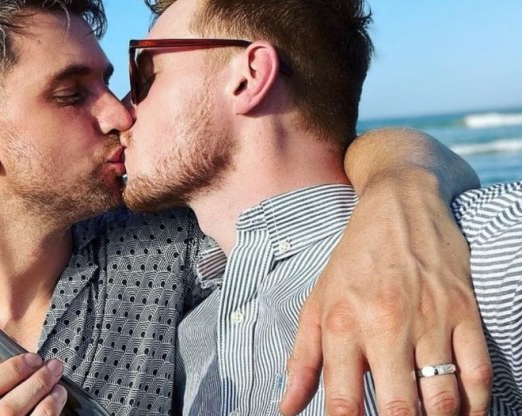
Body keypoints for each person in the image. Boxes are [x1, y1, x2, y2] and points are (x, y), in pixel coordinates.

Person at [0, 0, 487, 415]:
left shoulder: (168, 243)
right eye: (71, 94)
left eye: (118, 81)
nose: (120, 110)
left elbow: (306, 175)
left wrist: (401, 191)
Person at [121, 0, 521, 414]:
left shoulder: (456, 253)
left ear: (248, 77)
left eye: (143, 73)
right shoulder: (195, 327)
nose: (120, 110)